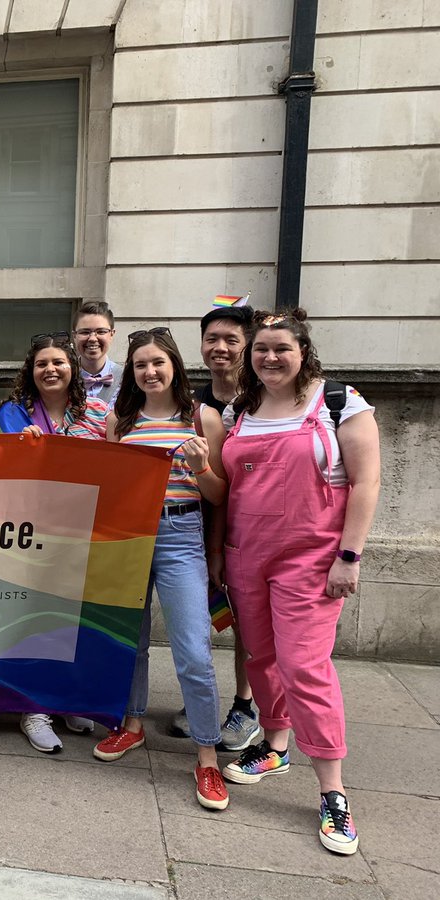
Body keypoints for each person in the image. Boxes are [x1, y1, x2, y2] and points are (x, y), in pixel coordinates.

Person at [220, 309, 380, 856]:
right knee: (260, 657)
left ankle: (332, 790)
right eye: (260, 348)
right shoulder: (241, 407)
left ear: (302, 350)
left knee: (303, 664)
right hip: (247, 554)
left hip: (311, 559)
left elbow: (366, 482)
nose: (269, 357)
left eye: (280, 348)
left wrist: (349, 556)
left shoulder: (339, 403)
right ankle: (275, 744)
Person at [93, 328, 232, 813]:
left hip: (180, 538)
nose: (150, 372)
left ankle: (207, 755)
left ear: (174, 365)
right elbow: (107, 489)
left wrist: (199, 469)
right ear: (130, 373)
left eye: (158, 363)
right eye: (140, 365)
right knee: (130, 643)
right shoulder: (120, 422)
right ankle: (131, 725)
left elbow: (219, 497)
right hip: (131, 539)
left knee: (193, 650)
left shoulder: (202, 419)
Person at [0, 332, 104, 751]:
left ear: (73, 367)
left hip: (84, 534)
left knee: (77, 623)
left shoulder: (99, 415)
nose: (50, 369)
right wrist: (21, 452)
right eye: (41, 364)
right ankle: (33, 708)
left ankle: (69, 698)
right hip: (29, 537)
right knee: (37, 621)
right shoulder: (12, 415)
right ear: (30, 372)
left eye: (58, 362)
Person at [172, 302, 260, 751]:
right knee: (202, 613)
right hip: (197, 524)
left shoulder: (265, 399)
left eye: (231, 340)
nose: (220, 348)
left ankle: (245, 706)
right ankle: (198, 699)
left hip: (251, 525)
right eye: (212, 339)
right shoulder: (197, 404)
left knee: (245, 619)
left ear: (248, 345)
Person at [73, 301, 123, 408]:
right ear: (74, 336)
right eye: (85, 332)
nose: (92, 339)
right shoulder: (64, 378)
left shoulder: (126, 379)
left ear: (111, 334)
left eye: (101, 332)